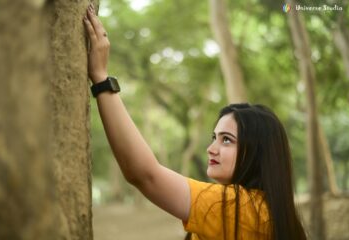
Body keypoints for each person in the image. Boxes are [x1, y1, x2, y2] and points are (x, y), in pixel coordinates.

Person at [83, 4, 307, 240]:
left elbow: (145, 175)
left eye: (227, 140)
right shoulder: (256, 210)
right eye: (215, 137)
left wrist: (101, 79)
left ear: (258, 153)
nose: (212, 149)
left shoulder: (247, 210)